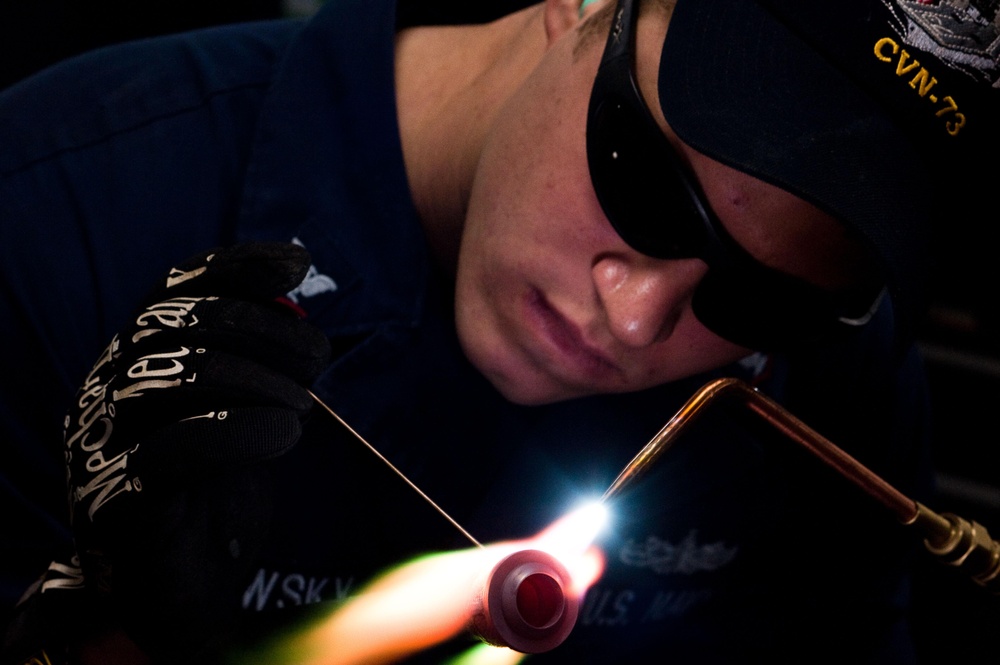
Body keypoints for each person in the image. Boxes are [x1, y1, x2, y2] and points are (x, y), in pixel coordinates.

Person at [1, 0, 996, 662]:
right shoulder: (53, 215)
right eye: (647, 188)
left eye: (762, 300)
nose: (638, 317)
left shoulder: (830, 387)